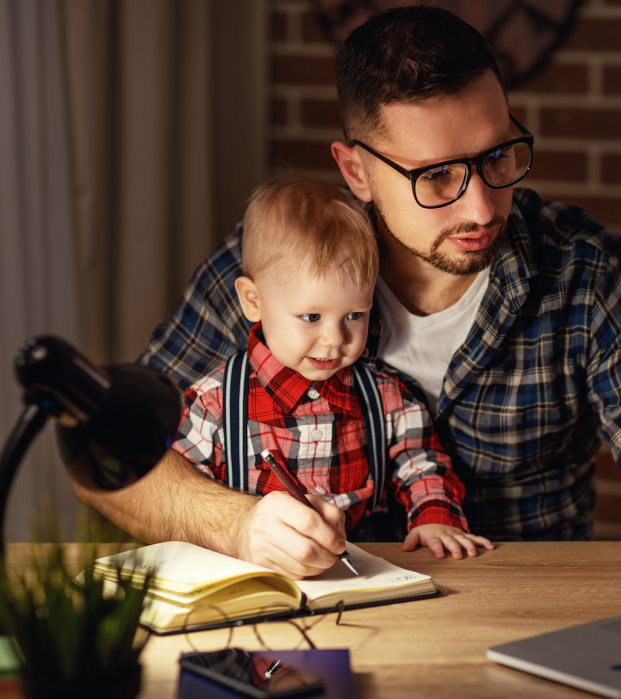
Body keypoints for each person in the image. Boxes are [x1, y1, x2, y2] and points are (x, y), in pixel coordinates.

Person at [77, 6, 621, 615]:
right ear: (357, 171)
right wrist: (237, 524)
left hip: (521, 620)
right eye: (438, 176)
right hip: (300, 626)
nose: (482, 208)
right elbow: (112, 457)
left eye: (498, 155)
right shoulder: (271, 274)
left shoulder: (583, 273)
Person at [170, 176, 492, 571]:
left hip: (366, 577)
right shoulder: (214, 403)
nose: (334, 338)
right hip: (256, 581)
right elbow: (183, 496)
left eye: (354, 315)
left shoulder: (385, 397)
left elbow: (422, 462)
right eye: (311, 317)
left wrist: (434, 517)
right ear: (253, 301)